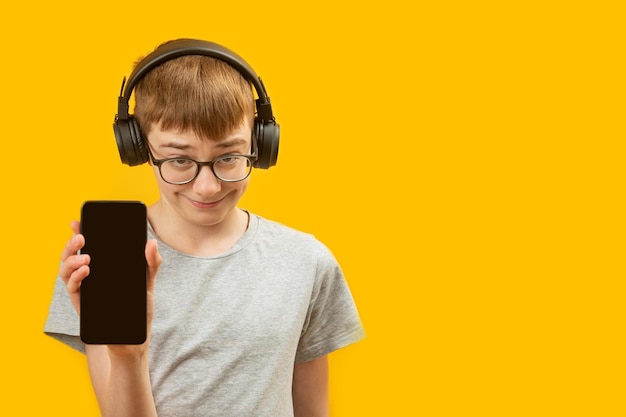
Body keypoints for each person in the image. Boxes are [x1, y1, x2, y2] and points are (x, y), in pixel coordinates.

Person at [44, 38, 365, 417]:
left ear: (261, 145)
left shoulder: (306, 262)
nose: (207, 186)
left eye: (229, 156)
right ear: (139, 149)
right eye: (179, 160)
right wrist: (128, 355)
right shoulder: (101, 262)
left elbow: (313, 411)